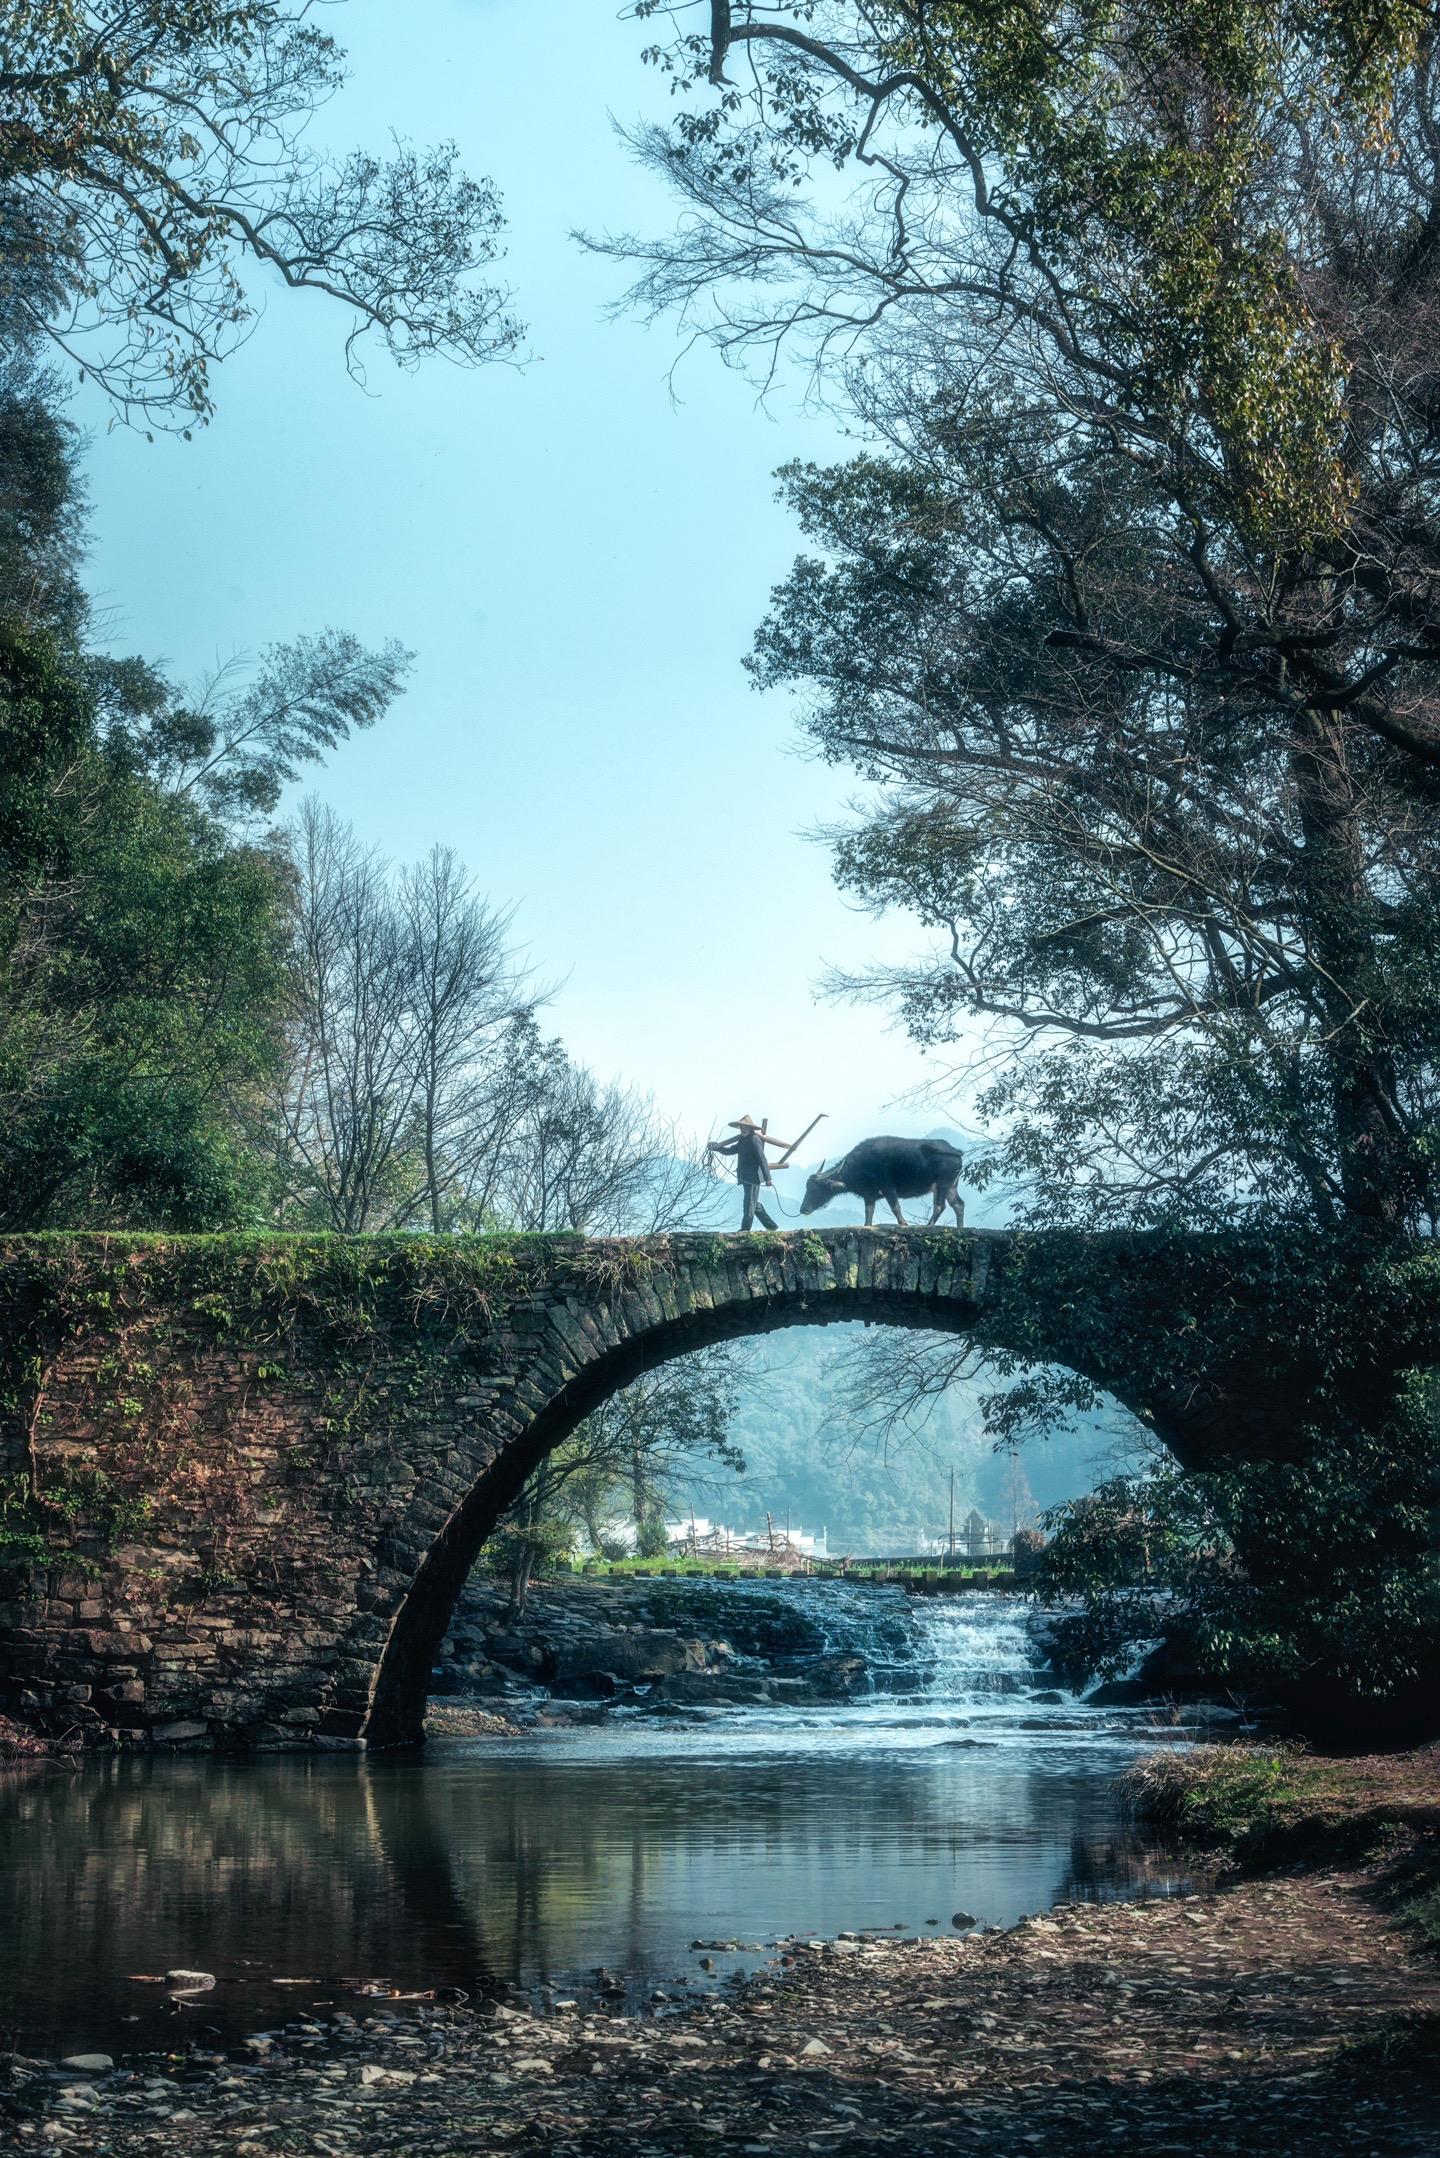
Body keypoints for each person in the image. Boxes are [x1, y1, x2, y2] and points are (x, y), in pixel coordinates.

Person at [708, 1114, 792, 1231]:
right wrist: (716, 1148)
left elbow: (762, 1159)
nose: (742, 1128)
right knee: (754, 1204)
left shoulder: (754, 1139)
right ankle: (772, 1227)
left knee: (749, 1205)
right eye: (741, 1127)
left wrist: (768, 1178)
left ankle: (745, 1230)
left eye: (745, 1127)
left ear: (750, 1128)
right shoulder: (743, 1140)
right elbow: (731, 1150)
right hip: (745, 1177)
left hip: (753, 1177)